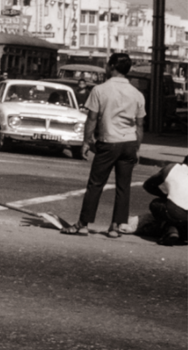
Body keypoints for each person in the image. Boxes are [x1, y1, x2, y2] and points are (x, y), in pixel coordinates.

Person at [63, 52, 148, 237]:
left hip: (109, 142)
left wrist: (86, 142)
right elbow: (140, 125)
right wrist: (137, 148)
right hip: (129, 143)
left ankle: (83, 224)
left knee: (95, 184)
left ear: (111, 67)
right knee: (123, 186)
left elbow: (91, 120)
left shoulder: (100, 90)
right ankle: (116, 227)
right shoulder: (137, 94)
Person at [143, 157, 188, 246]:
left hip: (175, 211)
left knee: (156, 204)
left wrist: (163, 195)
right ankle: (181, 231)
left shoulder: (171, 167)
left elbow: (148, 185)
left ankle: (170, 230)